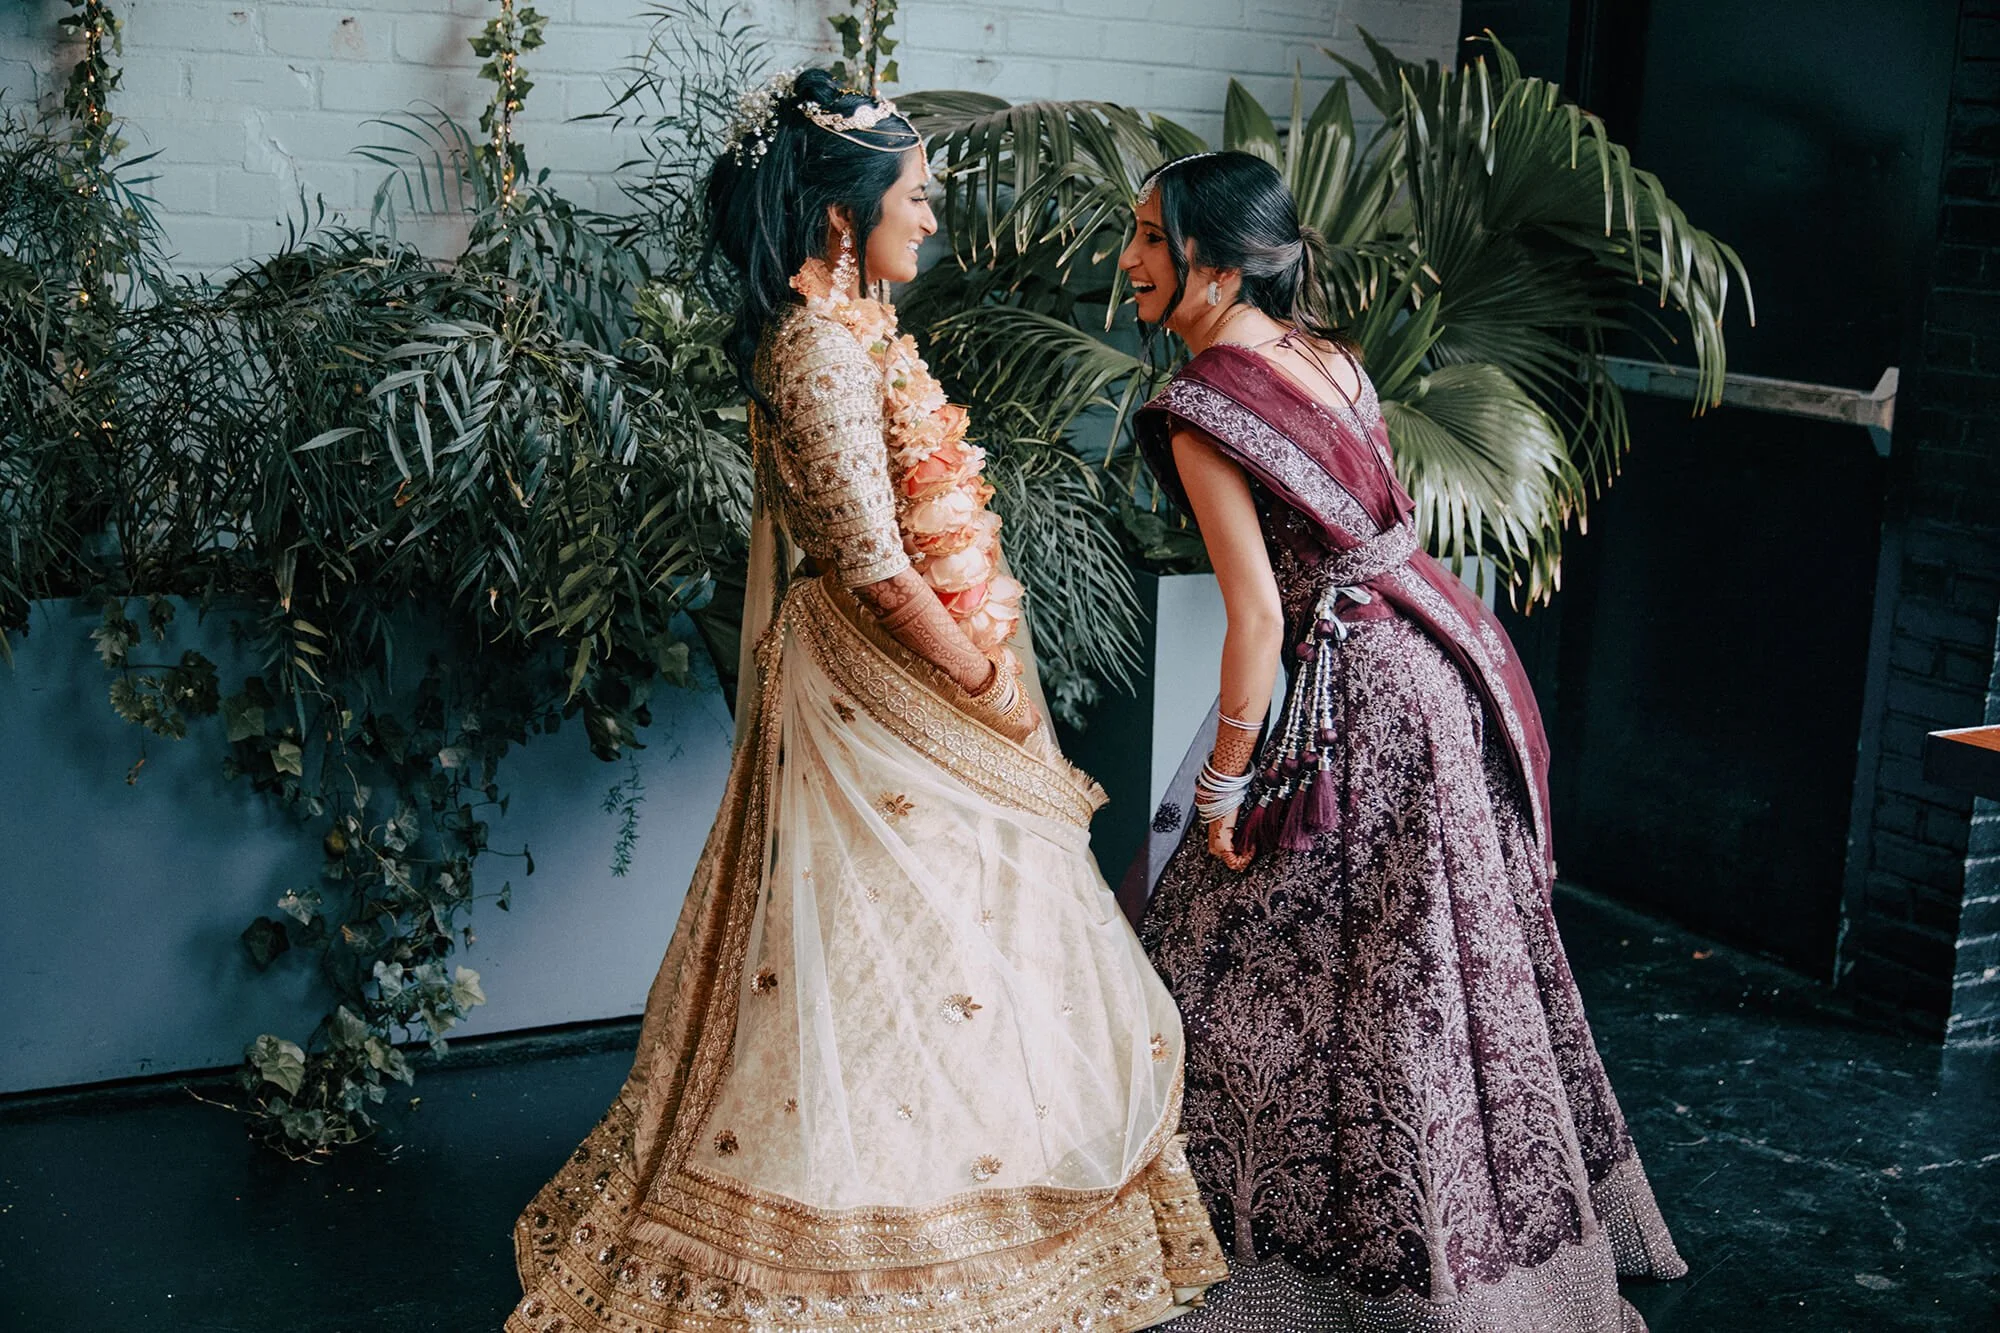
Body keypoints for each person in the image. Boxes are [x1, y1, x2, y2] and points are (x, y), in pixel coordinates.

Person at [507, 70, 1224, 1333]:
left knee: (950, 940)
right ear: (842, 218)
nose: (932, 219)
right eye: (916, 196)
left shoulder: (861, 331)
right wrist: (983, 680)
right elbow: (871, 561)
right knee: (882, 939)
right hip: (873, 694)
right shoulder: (819, 351)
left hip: (907, 677)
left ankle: (974, 1181)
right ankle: (856, 1233)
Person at [1119, 151, 1687, 1332]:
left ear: (1215, 265)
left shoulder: (1200, 405)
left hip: (1349, 705)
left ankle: (1281, 1273)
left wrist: (1222, 787)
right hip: (1435, 673)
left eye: (1147, 240)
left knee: (1217, 966)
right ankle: (1483, 1252)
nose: (1125, 262)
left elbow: (1261, 619)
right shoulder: (1330, 360)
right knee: (1438, 974)